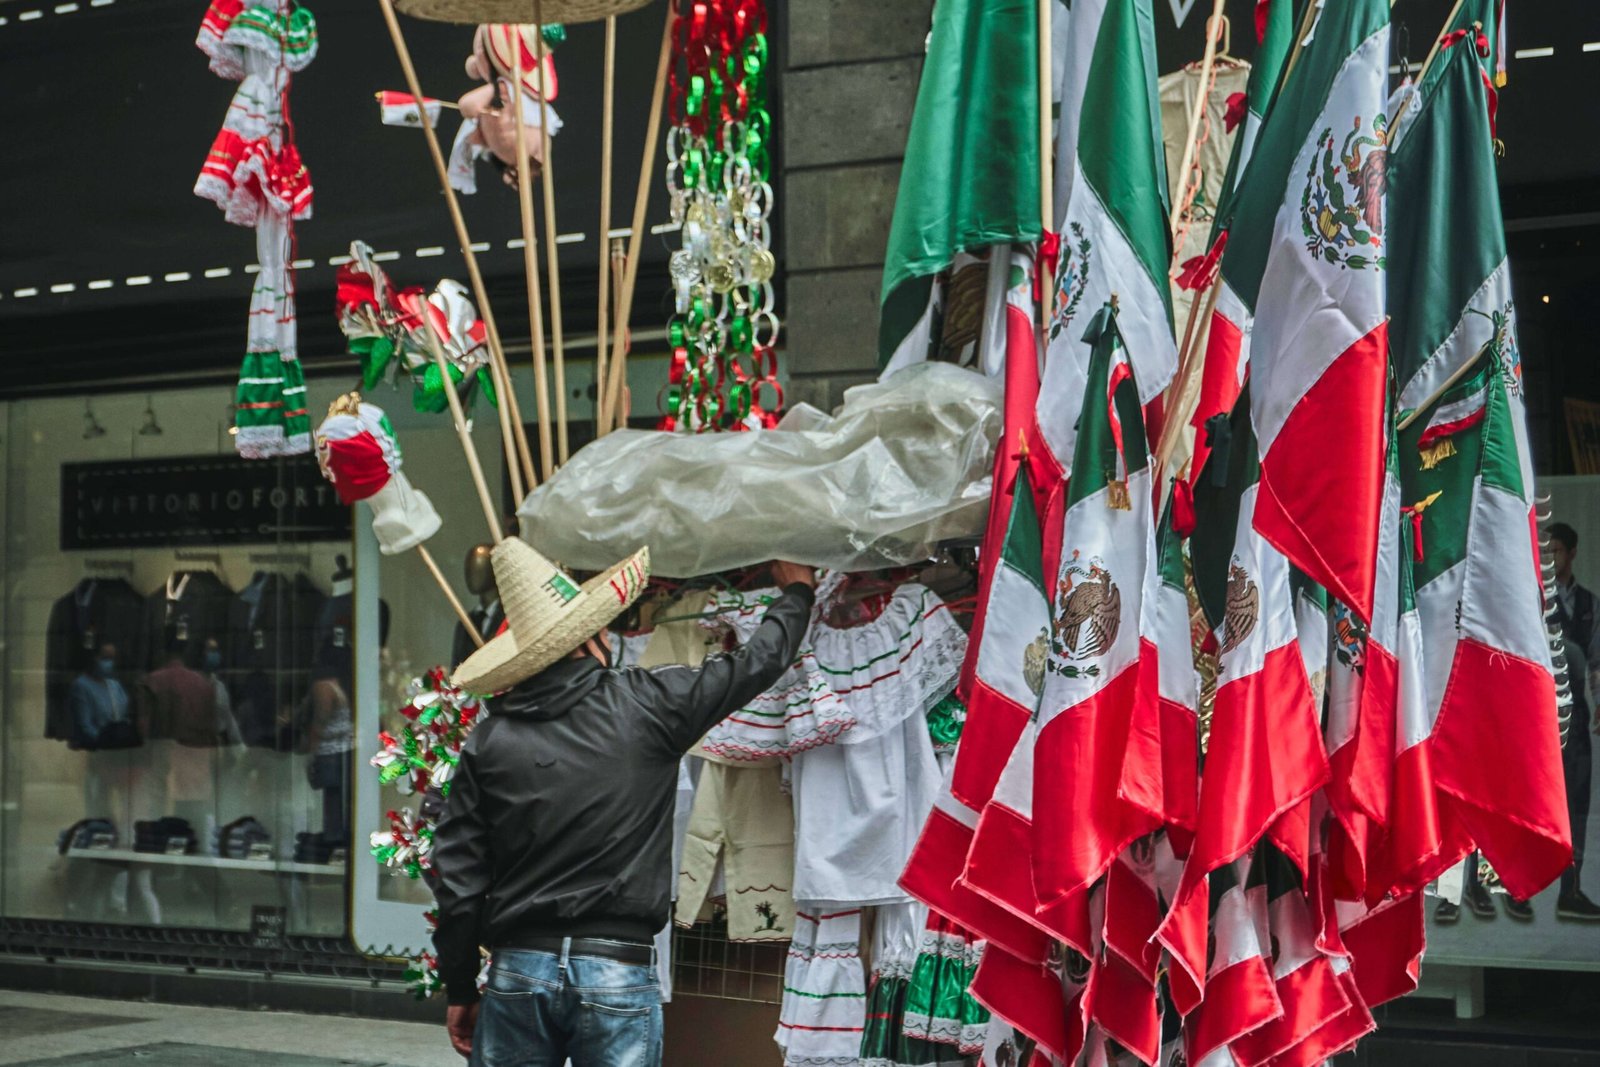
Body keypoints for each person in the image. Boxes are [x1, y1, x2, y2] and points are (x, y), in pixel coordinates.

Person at [431, 539, 817, 1066]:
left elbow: (457, 879)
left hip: (518, 968)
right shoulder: (649, 704)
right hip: (616, 968)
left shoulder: (491, 738)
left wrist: (459, 987)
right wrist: (797, 590)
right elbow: (757, 662)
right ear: (592, 640)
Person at [1547, 522, 1600, 921]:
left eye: (1558, 551)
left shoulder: (1589, 604)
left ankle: (1572, 887)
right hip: (1539, 716)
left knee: (1577, 803)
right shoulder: (1533, 601)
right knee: (1530, 802)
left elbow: (1597, 662)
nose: (1552, 559)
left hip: (1575, 717)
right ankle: (1514, 886)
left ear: (1573, 553)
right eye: (1548, 552)